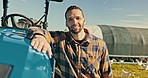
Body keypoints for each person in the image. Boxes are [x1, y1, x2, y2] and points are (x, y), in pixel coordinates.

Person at [27, 5, 113, 78]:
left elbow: (107, 74)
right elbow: (34, 29)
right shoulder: (60, 39)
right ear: (66, 23)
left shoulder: (100, 44)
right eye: (70, 19)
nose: (74, 22)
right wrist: (39, 36)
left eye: (78, 18)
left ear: (84, 20)